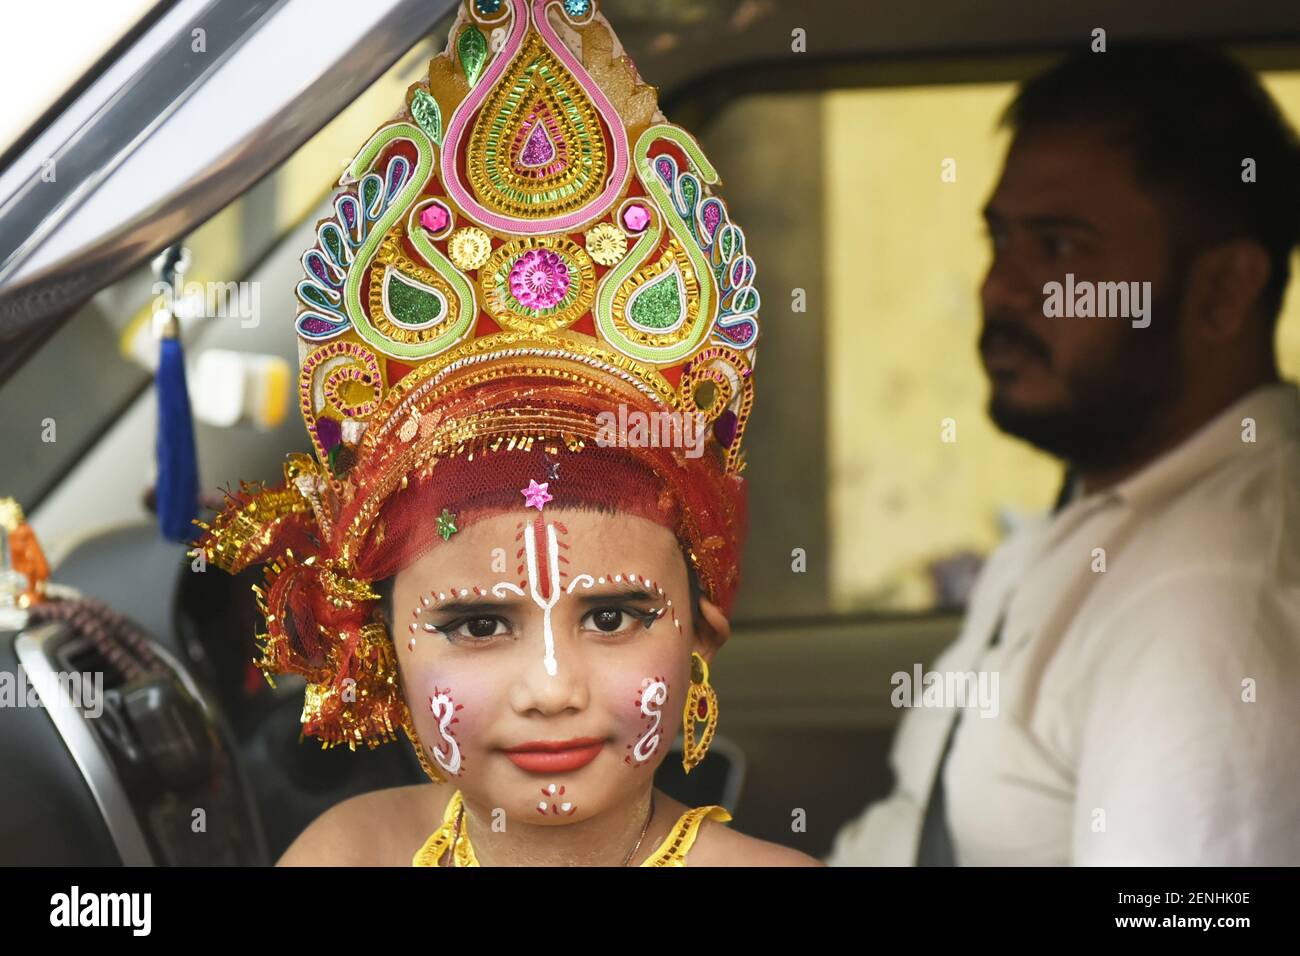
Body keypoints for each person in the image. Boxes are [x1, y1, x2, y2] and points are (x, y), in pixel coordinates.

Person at [196, 0, 817, 867]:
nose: (553, 688)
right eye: (480, 625)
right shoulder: (347, 855)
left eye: (612, 615)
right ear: (382, 640)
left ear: (702, 633)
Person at [830, 43, 1300, 865]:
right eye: (1002, 241)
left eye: (1060, 249)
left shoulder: (1213, 605)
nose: (999, 289)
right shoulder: (1124, 500)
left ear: (1223, 292)